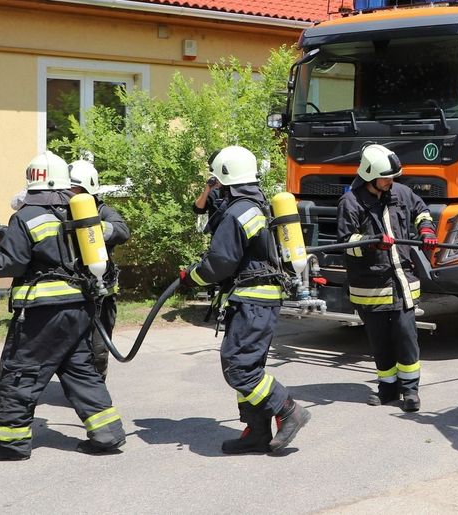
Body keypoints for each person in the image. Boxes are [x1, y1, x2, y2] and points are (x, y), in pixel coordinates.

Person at [0, 151, 126, 461]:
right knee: (80, 370)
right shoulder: (78, 214)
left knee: (20, 371)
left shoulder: (25, 216)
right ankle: (107, 434)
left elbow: (8, 265)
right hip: (80, 307)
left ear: (32, 180)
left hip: (42, 312)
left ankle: (12, 443)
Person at [178, 145, 310, 454]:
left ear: (224, 176)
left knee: (239, 367)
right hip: (258, 298)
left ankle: (289, 410)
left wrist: (191, 276)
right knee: (249, 364)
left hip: (252, 300)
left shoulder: (238, 212)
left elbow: (220, 262)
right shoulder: (256, 203)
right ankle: (257, 431)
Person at [336, 144, 437, 412]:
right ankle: (387, 389)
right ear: (370, 175)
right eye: (386, 177)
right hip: (370, 286)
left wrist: (426, 230)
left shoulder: (401, 193)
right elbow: (346, 242)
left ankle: (411, 391)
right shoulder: (351, 202)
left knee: (406, 335)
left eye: (393, 177)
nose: (391, 181)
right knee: (379, 340)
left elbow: (422, 212)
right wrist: (371, 243)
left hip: (402, 281)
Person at [67, 159, 130, 381]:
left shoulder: (103, 211)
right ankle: (80, 386)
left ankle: (96, 385)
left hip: (101, 292)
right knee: (71, 346)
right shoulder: (62, 211)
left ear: (87, 190)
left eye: (73, 189)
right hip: (71, 289)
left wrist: (91, 228)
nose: (69, 193)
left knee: (98, 347)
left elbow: (122, 231)